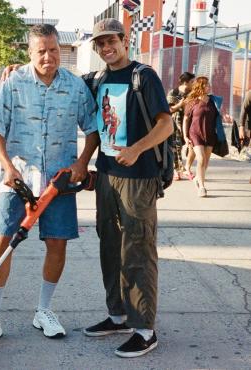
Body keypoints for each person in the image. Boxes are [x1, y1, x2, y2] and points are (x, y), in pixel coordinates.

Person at [0, 24, 99, 347]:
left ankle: (44, 311)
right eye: (41, 51)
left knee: (57, 244)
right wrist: (7, 166)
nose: (48, 56)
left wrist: (82, 163)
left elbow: (93, 128)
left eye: (53, 50)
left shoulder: (74, 85)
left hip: (59, 183)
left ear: (60, 49)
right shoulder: (14, 83)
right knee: (2, 243)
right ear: (29, 52)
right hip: (18, 180)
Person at [81, 19, 173, 358]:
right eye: (100, 44)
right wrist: (84, 163)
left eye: (112, 41)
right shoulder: (99, 79)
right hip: (106, 174)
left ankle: (145, 329)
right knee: (110, 246)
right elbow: (93, 126)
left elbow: (166, 123)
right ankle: (118, 315)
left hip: (139, 177)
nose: (107, 48)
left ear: (125, 40)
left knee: (138, 249)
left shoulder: (143, 76)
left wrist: (137, 148)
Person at [183, 76, 221, 197]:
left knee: (206, 161)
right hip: (195, 133)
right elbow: (186, 119)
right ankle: (202, 187)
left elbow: (218, 116)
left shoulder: (213, 101)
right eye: (207, 85)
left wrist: (225, 118)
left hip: (210, 134)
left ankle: (199, 179)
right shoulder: (192, 101)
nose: (209, 87)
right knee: (201, 158)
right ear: (201, 86)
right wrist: (185, 136)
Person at [166, 72, 196, 180]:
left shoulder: (193, 93)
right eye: (192, 82)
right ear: (185, 82)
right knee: (176, 147)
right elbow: (169, 110)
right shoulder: (173, 93)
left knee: (192, 145)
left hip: (190, 123)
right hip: (176, 124)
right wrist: (180, 104)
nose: (194, 84)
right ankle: (176, 171)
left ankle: (187, 168)